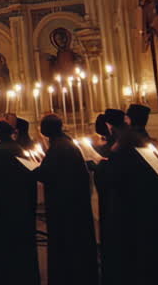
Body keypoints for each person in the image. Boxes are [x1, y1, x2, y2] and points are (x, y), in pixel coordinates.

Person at [110, 104, 158, 285]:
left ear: (128, 120)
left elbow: (116, 177)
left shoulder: (123, 144)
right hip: (155, 205)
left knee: (137, 253)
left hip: (132, 207)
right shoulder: (153, 143)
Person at [35, 115, 97, 285]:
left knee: (65, 245)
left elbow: (46, 173)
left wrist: (33, 170)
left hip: (64, 206)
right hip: (72, 203)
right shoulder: (65, 143)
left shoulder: (58, 148)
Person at [0, 120, 39, 285]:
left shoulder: (0, 150)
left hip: (4, 201)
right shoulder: (17, 148)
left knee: (5, 242)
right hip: (19, 200)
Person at [95, 109, 125, 285]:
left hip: (115, 198)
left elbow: (113, 173)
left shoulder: (117, 145)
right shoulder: (124, 140)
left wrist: (99, 166)